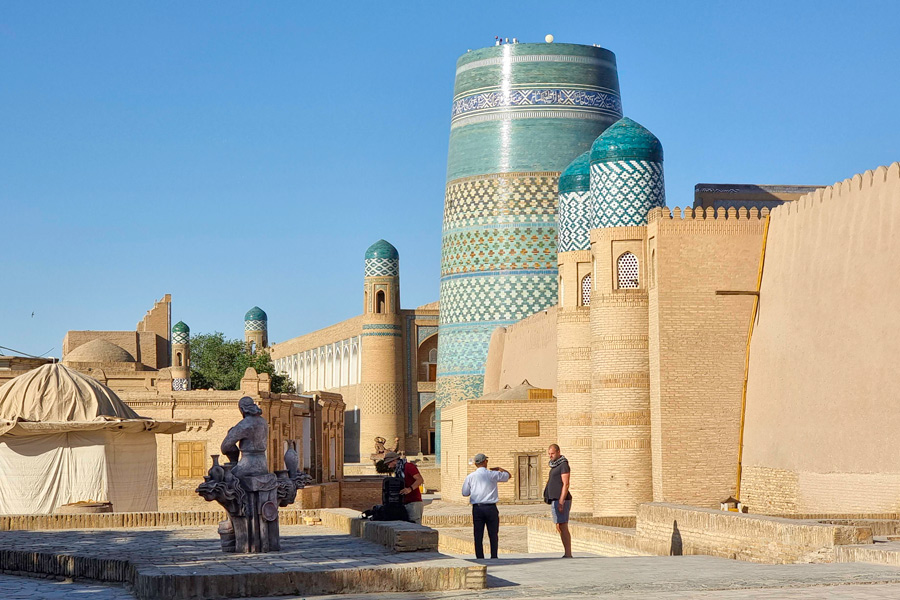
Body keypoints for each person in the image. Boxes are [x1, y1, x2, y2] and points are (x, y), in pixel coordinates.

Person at [461, 453, 511, 559]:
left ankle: (479, 557)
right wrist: (500, 469)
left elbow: (465, 493)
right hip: (491, 508)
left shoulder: (470, 477)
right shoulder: (493, 474)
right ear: (485, 462)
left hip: (477, 508)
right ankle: (494, 556)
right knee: (493, 534)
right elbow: (508, 476)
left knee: (478, 535)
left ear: (475, 464)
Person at [543, 443, 573, 558]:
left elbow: (566, 484)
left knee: (563, 525)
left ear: (558, 452)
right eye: (549, 454)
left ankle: (568, 553)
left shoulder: (563, 465)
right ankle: (566, 552)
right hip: (554, 500)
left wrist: (561, 501)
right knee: (559, 526)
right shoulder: (554, 466)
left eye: (552, 453)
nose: (550, 456)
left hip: (562, 500)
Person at [384, 451, 425, 524]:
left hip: (414, 503)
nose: (389, 466)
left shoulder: (408, 466)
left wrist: (410, 489)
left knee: (414, 526)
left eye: (389, 464)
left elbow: (420, 479)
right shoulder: (398, 471)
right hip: (404, 503)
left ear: (394, 460)